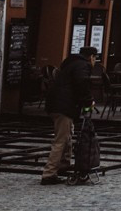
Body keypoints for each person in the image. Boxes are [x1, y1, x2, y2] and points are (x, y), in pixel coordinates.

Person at [41, 46, 96, 185]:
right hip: (63, 106)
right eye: (95, 58)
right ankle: (49, 174)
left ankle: (64, 165)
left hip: (57, 104)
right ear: (91, 57)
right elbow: (82, 84)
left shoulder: (71, 63)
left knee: (67, 135)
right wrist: (89, 101)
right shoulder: (83, 65)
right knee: (61, 140)